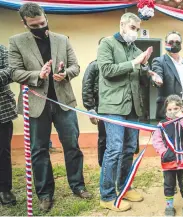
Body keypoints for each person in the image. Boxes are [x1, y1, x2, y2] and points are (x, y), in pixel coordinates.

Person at [9, 3, 91, 212]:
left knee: (72, 146)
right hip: (36, 105)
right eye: (34, 25)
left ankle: (78, 185)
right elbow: (14, 72)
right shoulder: (17, 42)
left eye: (42, 22)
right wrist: (38, 75)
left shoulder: (62, 40)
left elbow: (75, 66)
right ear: (25, 23)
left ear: (46, 17)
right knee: (39, 150)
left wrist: (66, 74)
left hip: (64, 102)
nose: (40, 27)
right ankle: (45, 194)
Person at [97, 12, 152, 211]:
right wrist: (134, 63)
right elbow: (107, 71)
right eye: (132, 28)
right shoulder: (107, 44)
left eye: (137, 29)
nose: (135, 33)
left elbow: (139, 79)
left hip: (132, 107)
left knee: (129, 149)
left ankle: (125, 187)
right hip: (113, 107)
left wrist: (146, 69)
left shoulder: (136, 49)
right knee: (114, 149)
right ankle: (107, 194)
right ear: (122, 24)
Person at [151, 31, 183, 188]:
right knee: (169, 143)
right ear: (166, 42)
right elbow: (158, 76)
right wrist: (157, 80)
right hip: (169, 109)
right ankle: (170, 179)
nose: (174, 44)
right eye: (171, 41)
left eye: (177, 41)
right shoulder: (159, 60)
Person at [152, 95, 183, 217]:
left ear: (182, 108)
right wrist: (164, 152)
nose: (173, 112)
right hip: (169, 161)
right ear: (166, 110)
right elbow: (156, 140)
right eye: (170, 109)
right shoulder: (162, 124)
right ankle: (169, 206)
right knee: (169, 183)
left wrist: (182, 118)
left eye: (176, 108)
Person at [82, 37, 106, 167]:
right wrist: (90, 108)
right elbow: (87, 88)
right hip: (100, 108)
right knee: (103, 138)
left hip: (116, 108)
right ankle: (103, 165)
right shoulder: (94, 65)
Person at [0, 45, 17, 206]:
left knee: (2, 151)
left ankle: (4, 188)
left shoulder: (1, 49)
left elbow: (11, 70)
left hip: (1, 110)